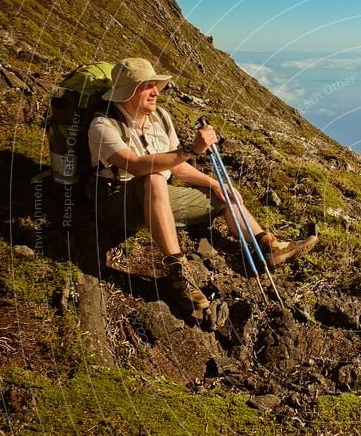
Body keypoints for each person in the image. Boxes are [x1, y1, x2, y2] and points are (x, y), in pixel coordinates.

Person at [88, 57, 318, 311]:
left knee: (219, 195)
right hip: (116, 205)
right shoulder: (102, 126)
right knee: (153, 178)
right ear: (127, 91)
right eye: (147, 86)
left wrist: (213, 182)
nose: (156, 91)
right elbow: (136, 166)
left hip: (158, 198)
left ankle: (267, 246)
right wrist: (191, 149)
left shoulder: (160, 118)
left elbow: (174, 164)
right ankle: (178, 274)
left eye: (155, 84)